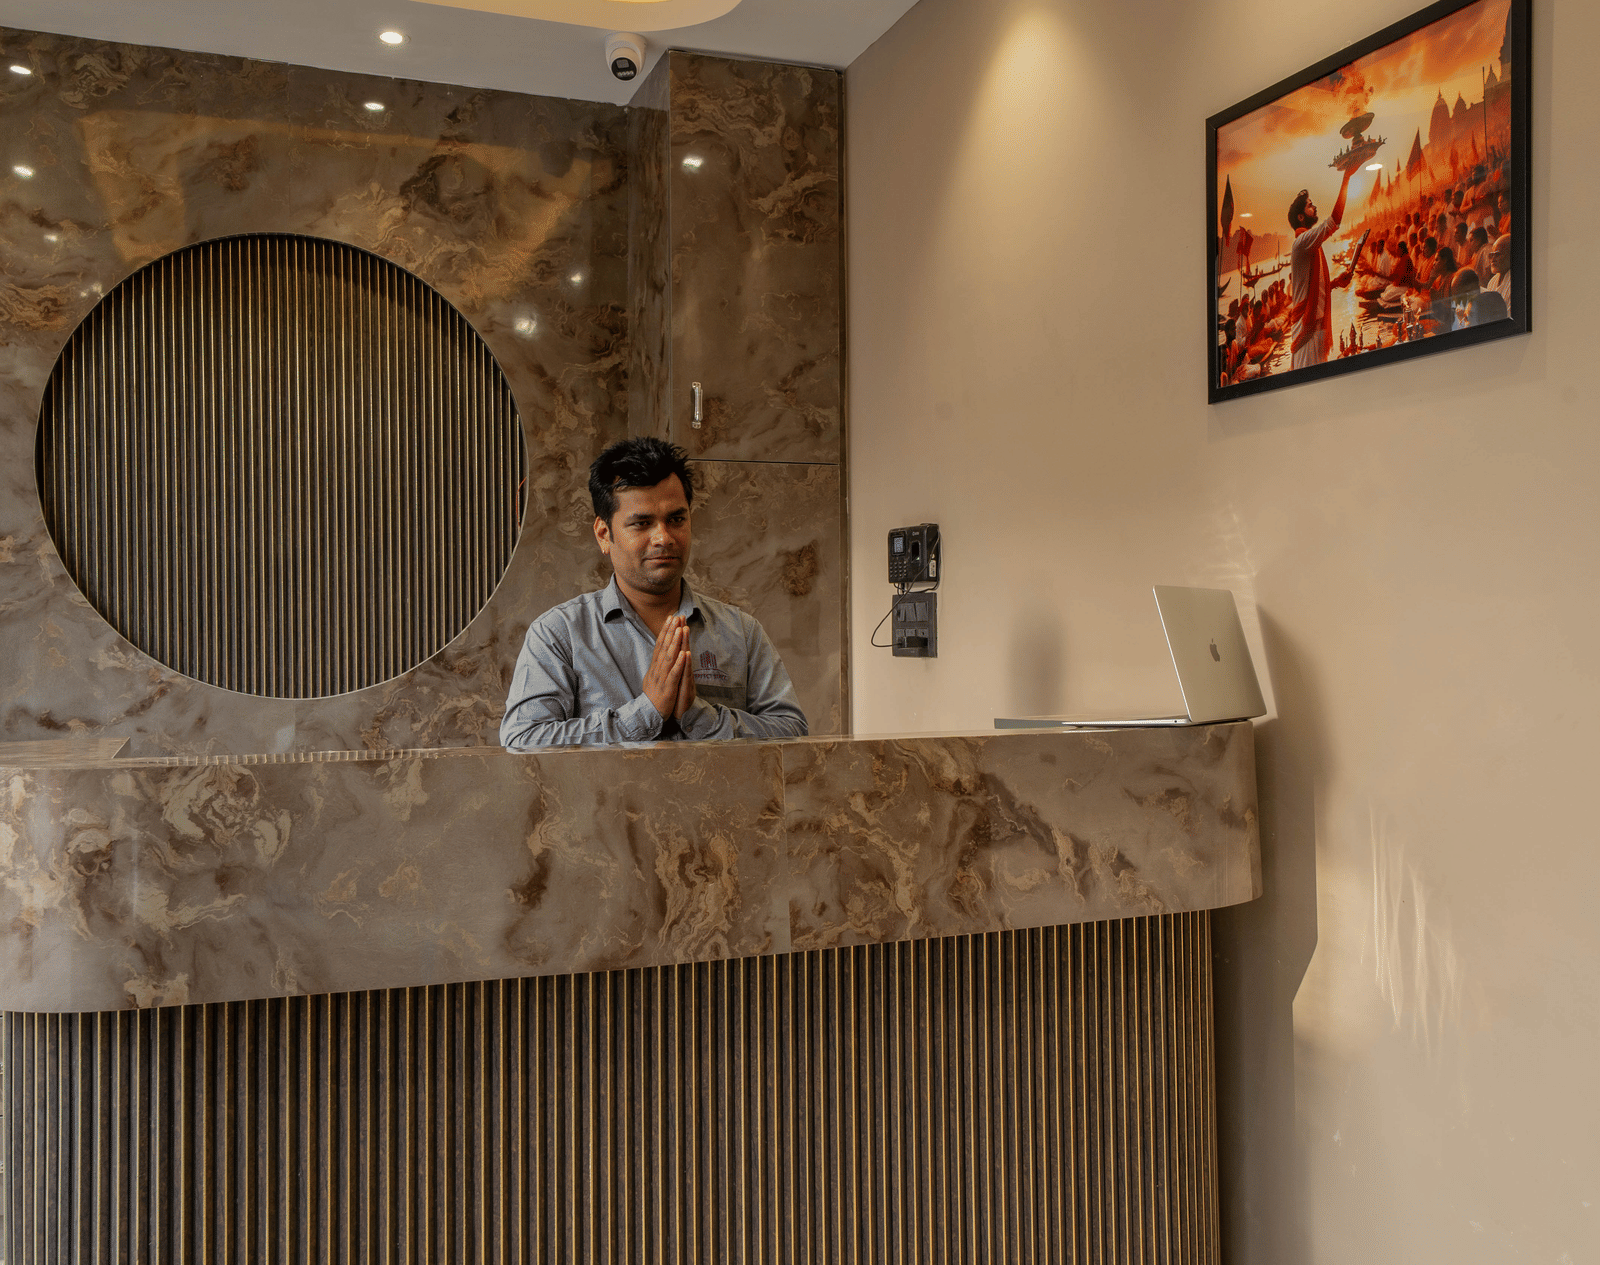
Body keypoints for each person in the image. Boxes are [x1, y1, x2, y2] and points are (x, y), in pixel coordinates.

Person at [499, 437, 808, 748]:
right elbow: (523, 740)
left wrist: (698, 716)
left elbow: (793, 734)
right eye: (642, 523)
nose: (663, 537)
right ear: (604, 535)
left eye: (676, 519)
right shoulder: (560, 633)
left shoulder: (741, 632)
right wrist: (647, 712)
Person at [1287, 165, 1360, 370]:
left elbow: (1315, 286)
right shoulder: (1302, 242)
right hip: (1307, 331)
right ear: (1301, 217)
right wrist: (1346, 178)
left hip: (1314, 331)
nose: (1315, 208)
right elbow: (1334, 221)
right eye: (1310, 206)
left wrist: (1335, 283)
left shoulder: (1311, 244)